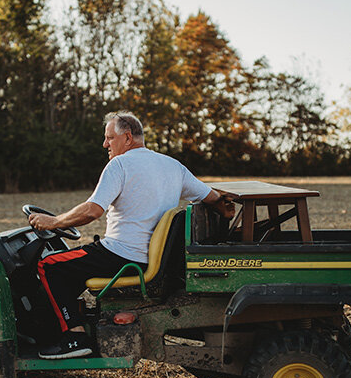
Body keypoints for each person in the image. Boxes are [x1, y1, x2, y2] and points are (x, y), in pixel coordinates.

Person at [28, 112, 235, 359]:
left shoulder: (120, 165)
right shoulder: (172, 166)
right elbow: (212, 198)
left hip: (121, 255)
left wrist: (53, 222)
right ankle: (61, 324)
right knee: (72, 266)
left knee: (50, 266)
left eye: (109, 138)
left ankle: (75, 337)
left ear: (127, 138)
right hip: (148, 260)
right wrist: (225, 208)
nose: (105, 144)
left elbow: (93, 210)